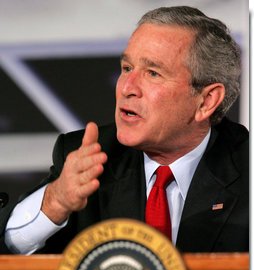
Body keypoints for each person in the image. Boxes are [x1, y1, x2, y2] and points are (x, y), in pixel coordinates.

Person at [0, 5, 248, 255]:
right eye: (127, 68)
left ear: (206, 101)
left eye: (153, 73)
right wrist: (55, 201)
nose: (127, 87)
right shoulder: (89, 158)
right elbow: (9, 251)